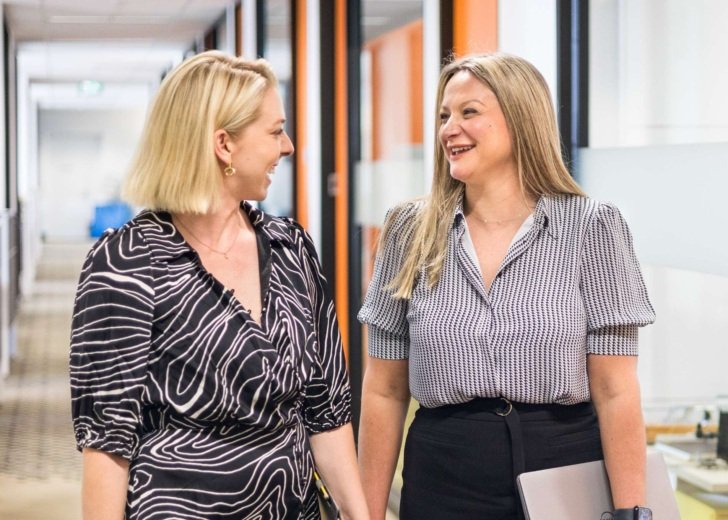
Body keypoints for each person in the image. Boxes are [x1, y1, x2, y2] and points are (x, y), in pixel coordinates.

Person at [70, 51, 368, 520]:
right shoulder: (126, 262)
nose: (287, 146)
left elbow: (326, 411)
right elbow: (108, 443)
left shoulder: (291, 248)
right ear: (224, 145)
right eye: (275, 131)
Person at [357, 52, 656, 520]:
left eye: (468, 112)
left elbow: (617, 390)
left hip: (564, 470)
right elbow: (384, 390)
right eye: (444, 116)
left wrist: (631, 512)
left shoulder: (591, 227)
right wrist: (366, 513)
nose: (448, 129)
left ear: (520, 118)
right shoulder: (407, 230)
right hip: (444, 474)